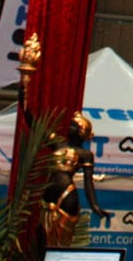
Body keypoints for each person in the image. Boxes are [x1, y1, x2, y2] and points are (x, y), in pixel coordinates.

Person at [17, 33, 109, 249]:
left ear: (83, 133)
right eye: (71, 124)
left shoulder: (85, 155)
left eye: (76, 126)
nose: (70, 127)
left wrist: (95, 206)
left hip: (67, 197)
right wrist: (24, 91)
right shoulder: (56, 142)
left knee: (60, 245)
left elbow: (89, 183)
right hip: (47, 197)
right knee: (41, 245)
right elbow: (31, 120)